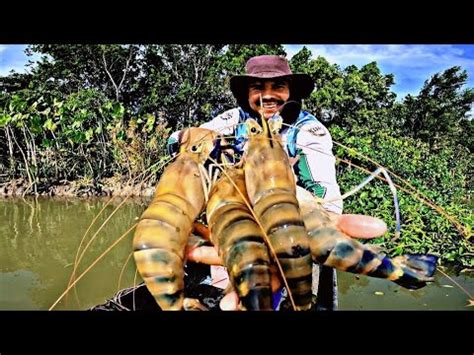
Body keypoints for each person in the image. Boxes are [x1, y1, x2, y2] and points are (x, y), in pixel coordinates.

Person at [170, 55, 387, 310]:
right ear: (246, 94)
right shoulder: (232, 119)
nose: (268, 95)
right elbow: (175, 141)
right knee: (229, 294)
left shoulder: (308, 130)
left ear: (290, 91)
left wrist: (318, 224)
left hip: (290, 230)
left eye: (278, 86)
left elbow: (324, 188)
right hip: (235, 224)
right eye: (258, 88)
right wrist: (193, 139)